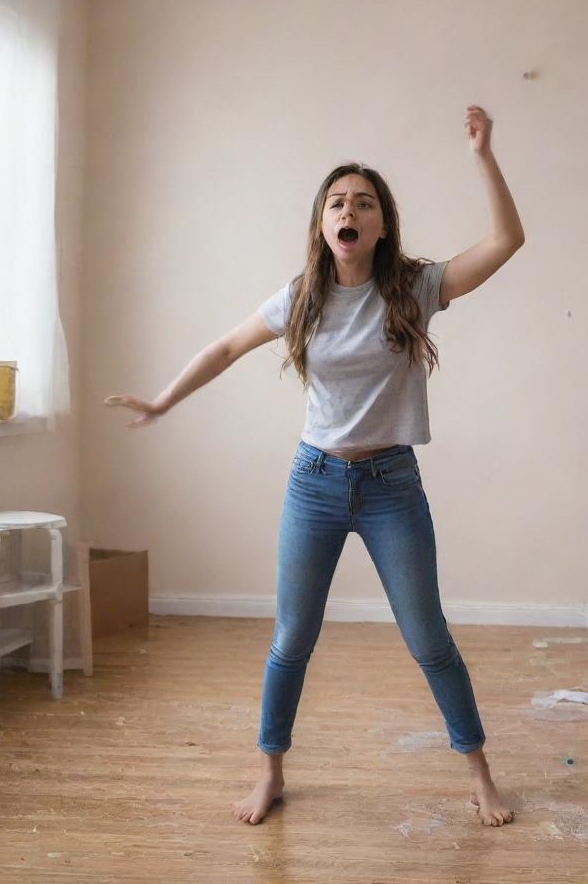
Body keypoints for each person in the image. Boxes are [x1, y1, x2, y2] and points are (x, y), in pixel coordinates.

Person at [105, 105, 524, 827]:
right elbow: (225, 348)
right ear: (323, 225)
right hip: (316, 485)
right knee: (291, 639)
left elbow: (507, 240)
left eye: (363, 202)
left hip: (392, 485)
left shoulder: (417, 289)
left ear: (381, 224)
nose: (349, 210)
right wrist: (166, 400)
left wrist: (484, 156)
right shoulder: (301, 297)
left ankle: (480, 773)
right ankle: (268, 771)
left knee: (429, 639)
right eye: (337, 202)